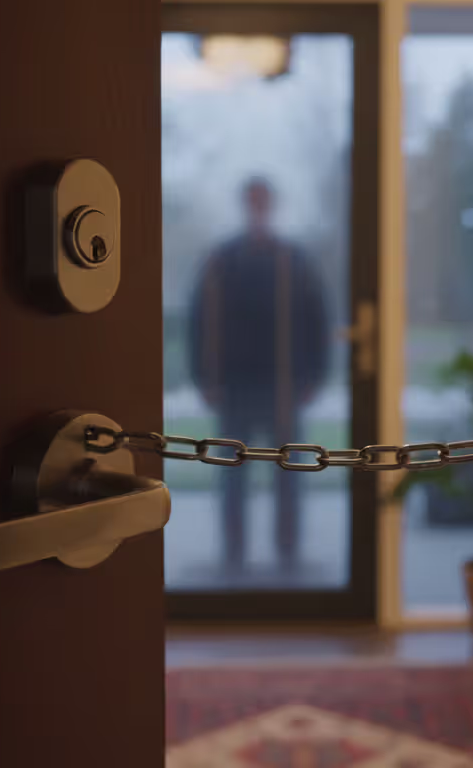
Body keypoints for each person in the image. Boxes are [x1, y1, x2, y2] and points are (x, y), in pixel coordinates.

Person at [188, 178, 331, 572]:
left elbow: (318, 319)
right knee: (231, 475)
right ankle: (233, 553)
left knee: (290, 472)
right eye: (251, 200)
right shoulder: (221, 259)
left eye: (263, 200)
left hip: (285, 386)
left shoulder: (294, 260)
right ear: (244, 205)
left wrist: (315, 375)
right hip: (233, 386)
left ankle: (288, 553)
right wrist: (204, 378)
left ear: (272, 205)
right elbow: (199, 321)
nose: (257, 207)